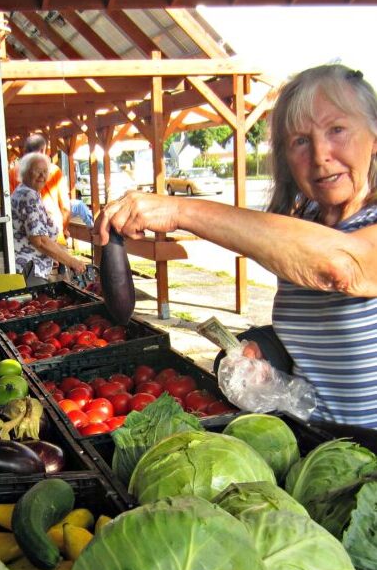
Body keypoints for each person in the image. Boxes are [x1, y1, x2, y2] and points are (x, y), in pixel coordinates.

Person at [95, 64, 377, 428]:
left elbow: (345, 268)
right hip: (314, 445)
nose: (321, 153)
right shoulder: (303, 225)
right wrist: (265, 349)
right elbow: (325, 333)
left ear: (373, 136)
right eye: (301, 141)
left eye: (337, 129)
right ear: (286, 159)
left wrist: (178, 210)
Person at [12, 152, 87, 286]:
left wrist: (55, 254)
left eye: (45, 171)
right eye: (37, 171)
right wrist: (72, 261)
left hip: (28, 267)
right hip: (29, 269)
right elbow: (40, 241)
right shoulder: (29, 197)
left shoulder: (25, 191)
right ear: (25, 173)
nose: (42, 176)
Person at [10, 133, 71, 246]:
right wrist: (64, 228)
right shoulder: (54, 170)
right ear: (43, 151)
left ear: (25, 151)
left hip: (24, 237)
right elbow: (65, 207)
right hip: (53, 232)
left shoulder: (13, 172)